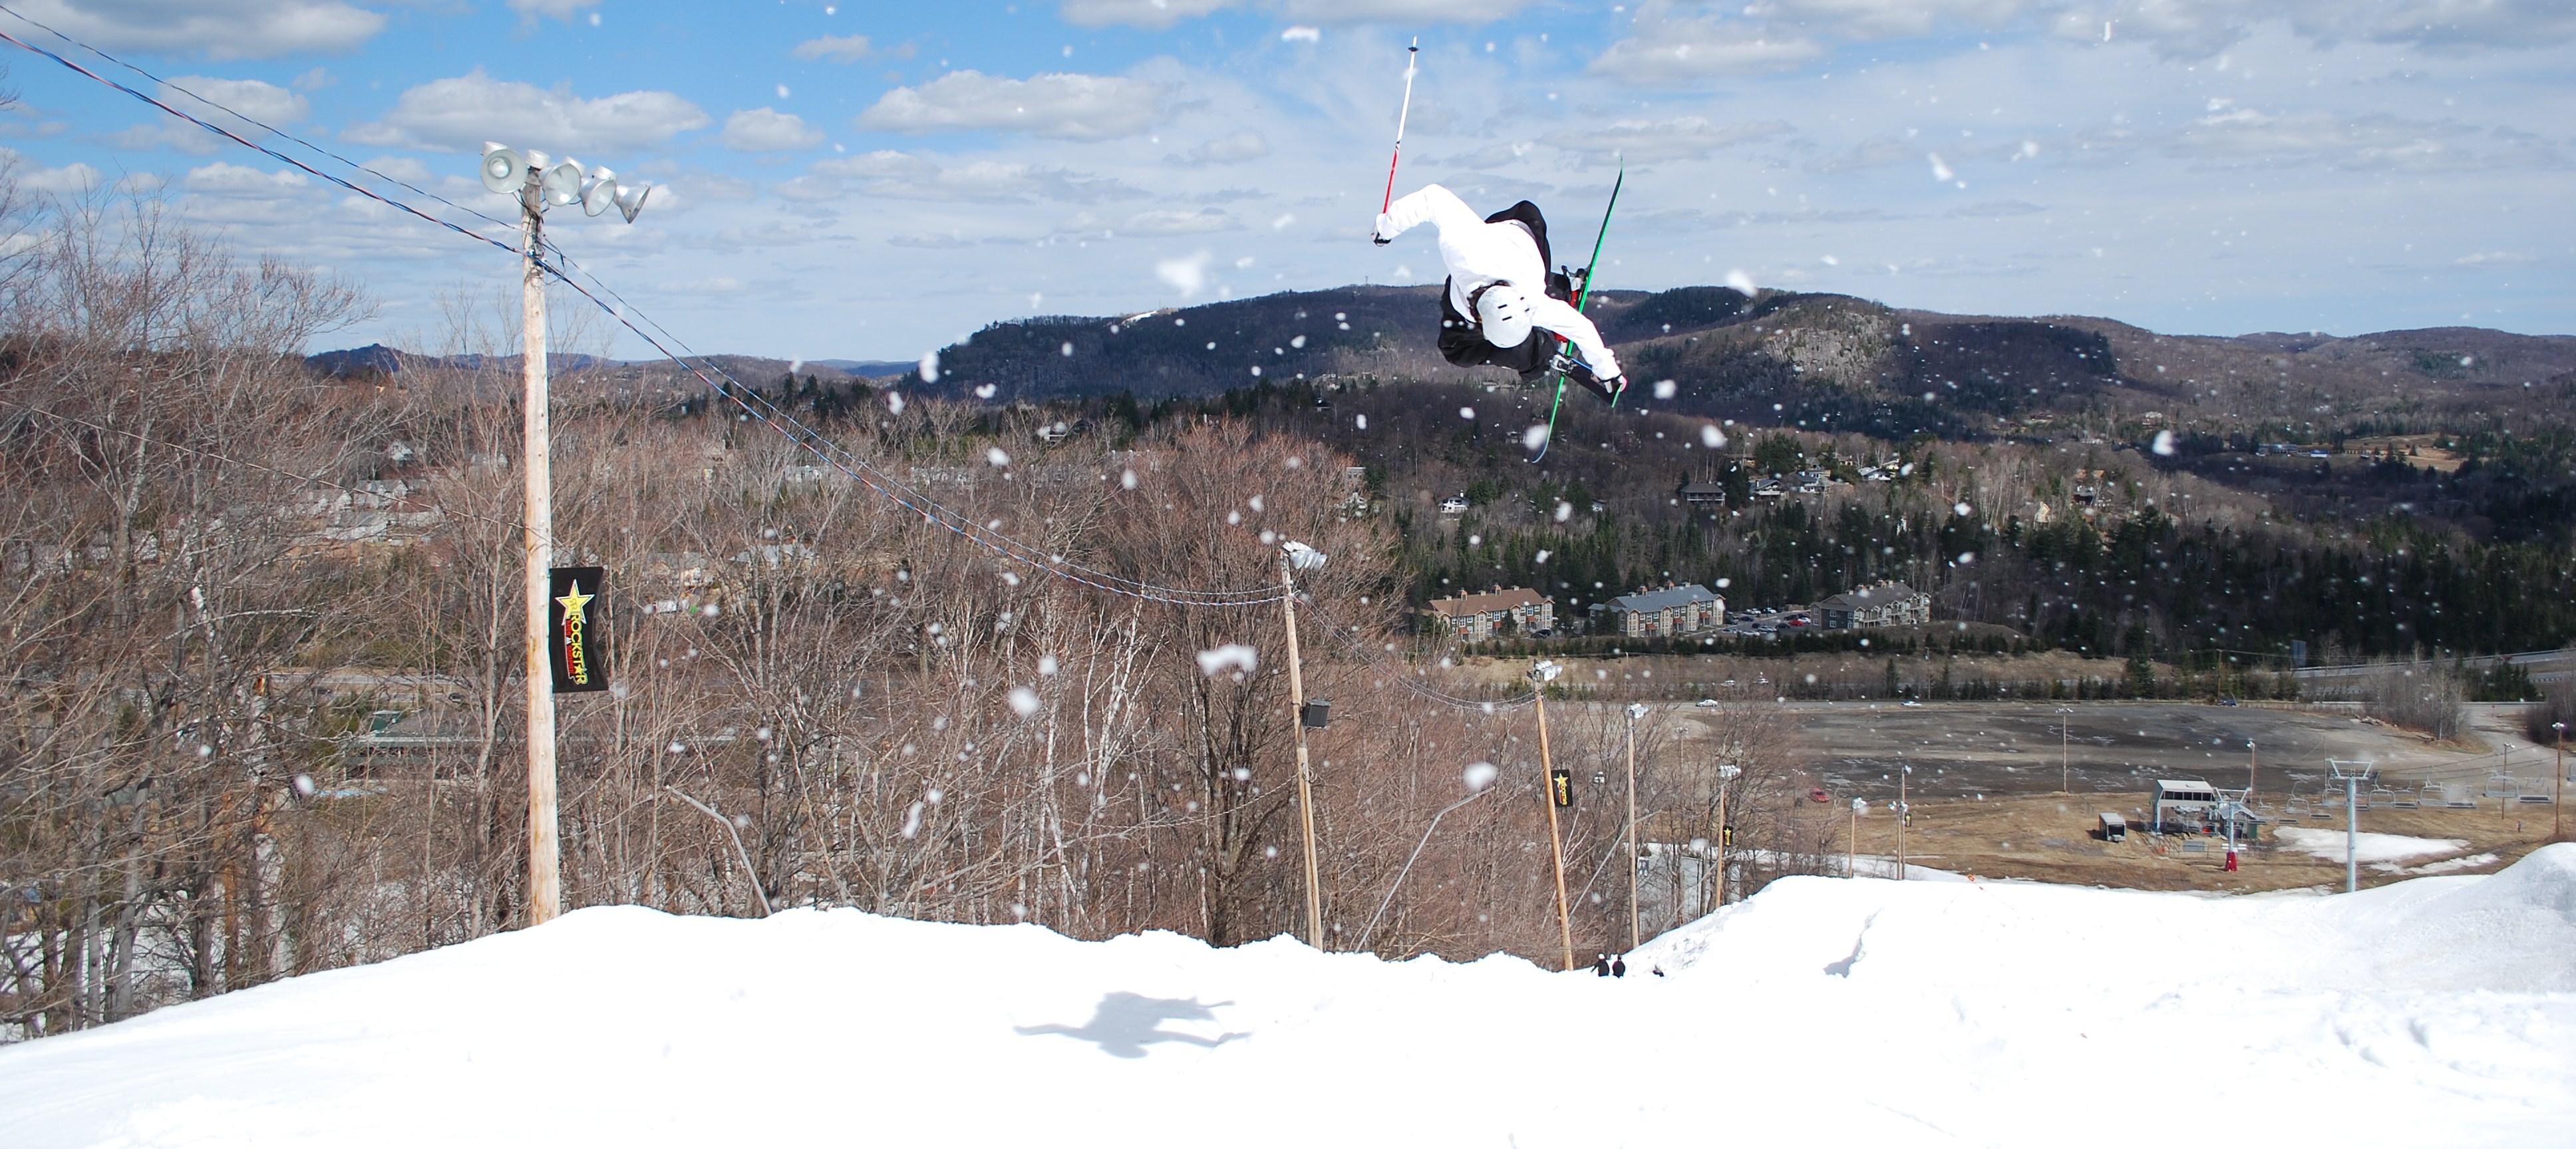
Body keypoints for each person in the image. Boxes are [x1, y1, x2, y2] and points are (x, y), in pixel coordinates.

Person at [1373, 184, 1627, 402]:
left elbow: (1580, 328)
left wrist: (1609, 371)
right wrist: (1387, 228)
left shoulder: (1531, 300)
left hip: (1526, 229)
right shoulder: (1462, 251)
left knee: (1460, 350)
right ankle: (1556, 298)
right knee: (1455, 348)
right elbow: (1432, 198)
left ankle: (1541, 353)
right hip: (1501, 239)